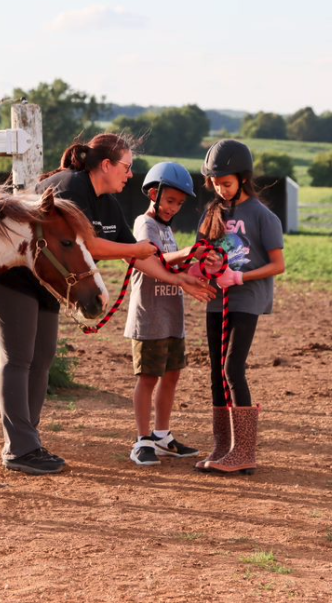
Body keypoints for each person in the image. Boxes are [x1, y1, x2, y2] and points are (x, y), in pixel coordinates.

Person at [0, 134, 214, 475]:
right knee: (18, 358)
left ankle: (28, 439)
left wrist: (179, 280)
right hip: (12, 275)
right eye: (127, 166)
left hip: (50, 281)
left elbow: (135, 256)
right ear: (106, 165)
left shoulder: (107, 201)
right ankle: (19, 449)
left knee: (42, 357)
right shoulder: (70, 187)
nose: (130, 174)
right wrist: (136, 250)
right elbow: (87, 245)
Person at [193, 139, 285, 474]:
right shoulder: (212, 212)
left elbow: (278, 265)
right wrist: (203, 269)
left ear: (243, 179)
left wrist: (240, 278)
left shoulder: (263, 216)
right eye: (215, 183)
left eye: (226, 183)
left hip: (246, 299)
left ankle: (244, 450)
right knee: (216, 372)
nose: (220, 188)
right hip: (216, 300)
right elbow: (199, 252)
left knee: (233, 368)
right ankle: (223, 445)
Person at [124, 162, 204, 467]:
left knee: (171, 377)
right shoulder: (145, 225)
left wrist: (199, 267)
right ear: (154, 194)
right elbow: (156, 258)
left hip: (172, 317)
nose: (174, 208)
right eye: (170, 201)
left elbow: (176, 265)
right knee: (148, 379)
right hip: (150, 317)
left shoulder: (167, 229)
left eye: (180, 204)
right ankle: (142, 440)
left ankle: (162, 437)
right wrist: (187, 252)